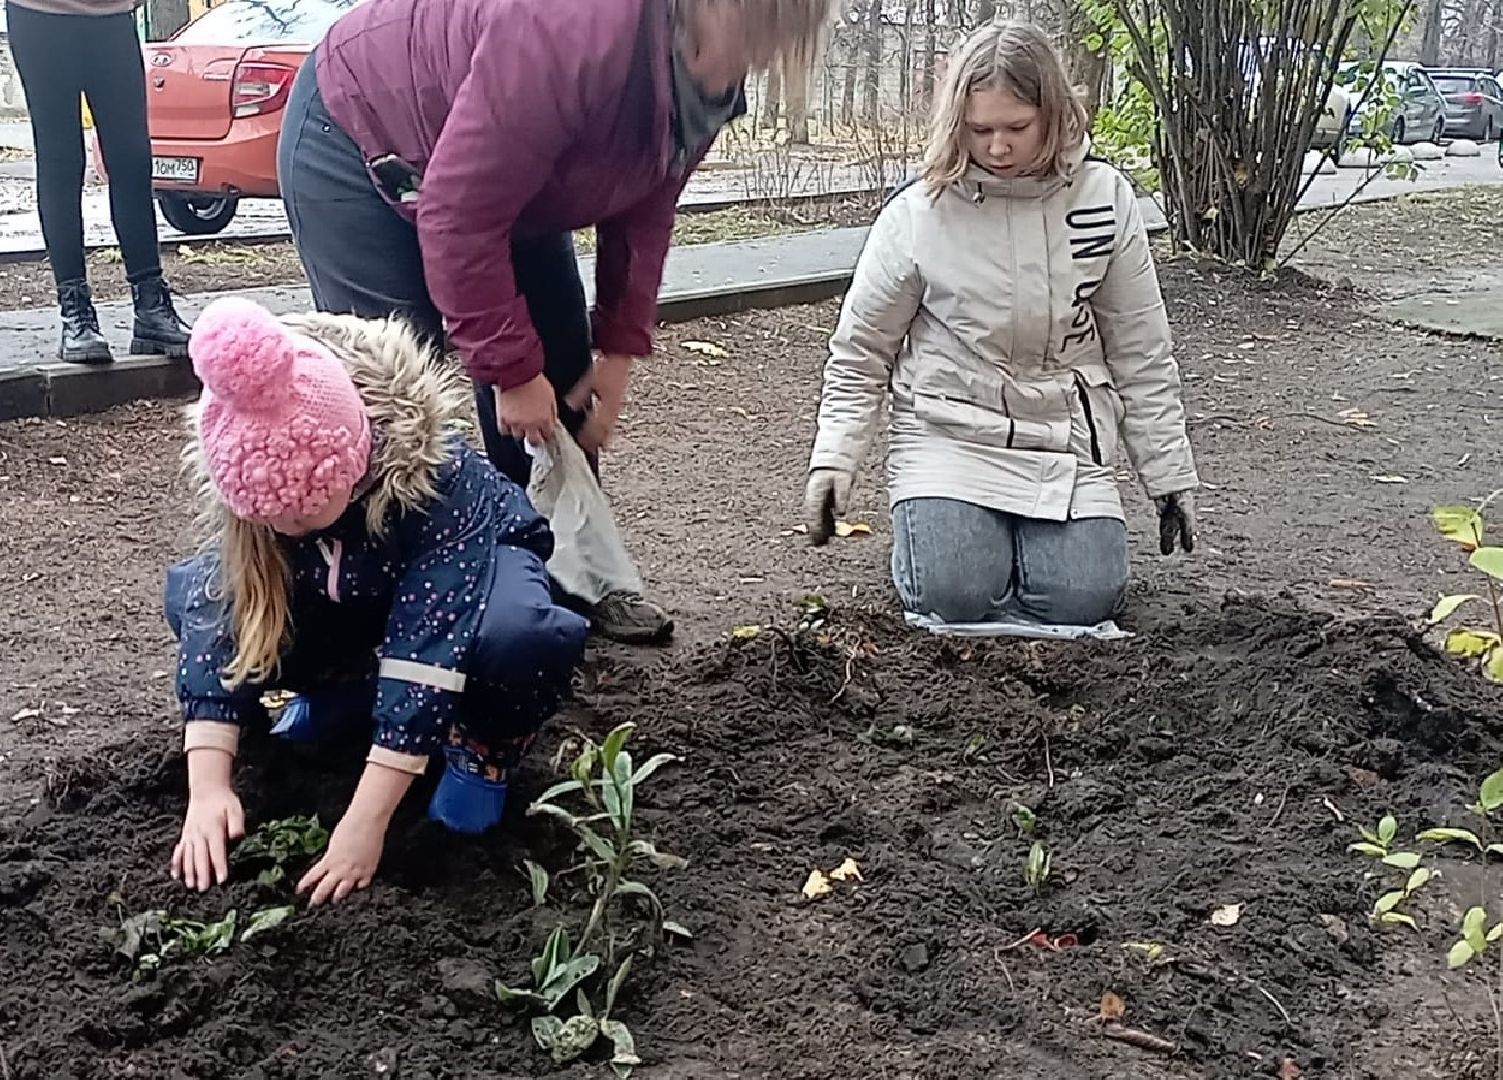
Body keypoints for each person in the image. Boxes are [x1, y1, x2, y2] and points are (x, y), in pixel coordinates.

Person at [276, 0, 830, 645]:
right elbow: (460, 214)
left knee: (561, 372)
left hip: (507, 172)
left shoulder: (701, 80)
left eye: (776, 43)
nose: (754, 61)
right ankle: (390, 614)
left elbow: (647, 204)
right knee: (394, 398)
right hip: (362, 133)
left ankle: (565, 582)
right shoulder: (570, 24)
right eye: (755, 33)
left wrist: (619, 347)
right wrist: (510, 374)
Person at [164, 296, 588, 906]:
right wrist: (207, 787)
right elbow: (218, 620)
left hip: (469, 586)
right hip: (361, 594)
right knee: (197, 595)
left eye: (308, 508)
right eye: (272, 516)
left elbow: (429, 645)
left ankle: (483, 742)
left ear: (355, 456)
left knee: (518, 637)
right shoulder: (259, 491)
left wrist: (365, 823)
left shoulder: (438, 482)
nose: (289, 526)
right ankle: (351, 688)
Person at [803, 21, 1199, 629]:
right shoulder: (920, 213)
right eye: (979, 129)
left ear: (1054, 113)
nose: (997, 148)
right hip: (950, 433)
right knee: (954, 594)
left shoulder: (1105, 201)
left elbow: (1140, 350)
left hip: (1064, 436)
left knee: (1083, 600)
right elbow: (862, 353)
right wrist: (834, 460)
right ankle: (941, 539)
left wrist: (1168, 477)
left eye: (1017, 127)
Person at [5, 0, 188, 363]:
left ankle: (151, 307)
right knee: (61, 159)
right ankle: (76, 313)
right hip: (39, 15)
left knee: (132, 158)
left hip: (111, 16)